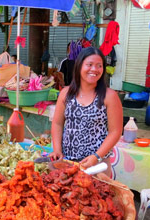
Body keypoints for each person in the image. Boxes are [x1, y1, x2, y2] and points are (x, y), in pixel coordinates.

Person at [49, 47, 123, 176]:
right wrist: (57, 150)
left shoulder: (109, 96)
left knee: (98, 194)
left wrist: (96, 157)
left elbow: (115, 131)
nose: (94, 69)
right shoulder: (66, 93)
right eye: (89, 65)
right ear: (79, 67)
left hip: (96, 165)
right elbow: (57, 124)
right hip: (67, 162)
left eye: (99, 66)